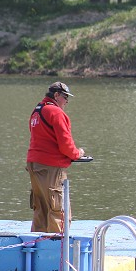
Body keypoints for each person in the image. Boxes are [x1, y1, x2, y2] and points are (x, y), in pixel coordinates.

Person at [26, 81, 85, 233]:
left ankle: (37, 248)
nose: (67, 101)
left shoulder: (37, 111)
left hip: (34, 165)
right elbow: (66, 145)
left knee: (41, 208)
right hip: (51, 167)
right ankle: (56, 250)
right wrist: (78, 153)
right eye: (65, 97)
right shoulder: (56, 113)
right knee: (58, 210)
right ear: (56, 95)